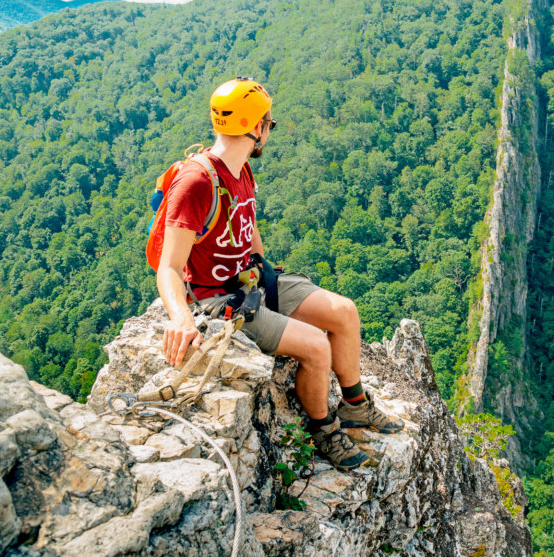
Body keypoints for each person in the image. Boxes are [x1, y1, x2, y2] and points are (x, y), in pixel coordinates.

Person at [155, 76, 402, 471]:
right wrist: (182, 319)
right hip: (221, 300)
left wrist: (264, 272)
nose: (269, 131)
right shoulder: (196, 182)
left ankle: (356, 406)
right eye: (269, 124)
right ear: (255, 126)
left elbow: (247, 226)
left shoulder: (240, 171)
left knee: (345, 312)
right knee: (317, 346)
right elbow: (169, 265)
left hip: (251, 280)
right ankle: (325, 431)